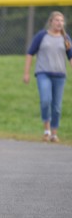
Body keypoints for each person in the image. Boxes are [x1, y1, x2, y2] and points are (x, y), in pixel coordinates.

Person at [23, 11, 72, 142]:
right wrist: (26, 73)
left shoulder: (66, 38)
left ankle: (54, 133)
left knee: (57, 106)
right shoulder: (41, 36)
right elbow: (30, 54)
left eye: (61, 21)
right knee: (46, 100)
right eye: (57, 20)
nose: (59, 23)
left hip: (60, 75)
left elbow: (70, 57)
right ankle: (46, 130)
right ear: (50, 22)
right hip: (43, 73)